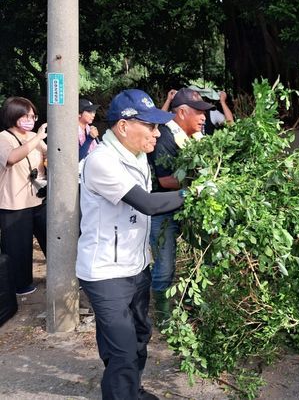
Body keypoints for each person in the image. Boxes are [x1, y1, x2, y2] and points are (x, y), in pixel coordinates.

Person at [77, 89, 186, 400]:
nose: (157, 132)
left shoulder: (138, 157)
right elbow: (147, 203)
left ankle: (130, 390)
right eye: (150, 126)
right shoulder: (101, 161)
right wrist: (195, 194)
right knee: (123, 348)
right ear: (123, 126)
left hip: (136, 266)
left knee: (138, 336)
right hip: (105, 273)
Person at [148, 88, 214, 323]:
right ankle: (163, 316)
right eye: (199, 112)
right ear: (182, 112)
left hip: (190, 206)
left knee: (205, 255)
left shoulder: (197, 138)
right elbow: (166, 180)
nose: (203, 117)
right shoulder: (164, 136)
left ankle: (191, 302)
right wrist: (202, 181)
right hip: (163, 209)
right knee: (164, 265)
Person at [0, 97, 47, 296]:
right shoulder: (4, 137)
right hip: (14, 203)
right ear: (13, 115)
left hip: (38, 198)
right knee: (18, 246)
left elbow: (48, 154)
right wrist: (37, 137)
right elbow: (11, 158)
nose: (30, 119)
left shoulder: (32, 137)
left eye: (32, 115)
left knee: (51, 236)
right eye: (26, 115)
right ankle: (21, 284)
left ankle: (63, 273)